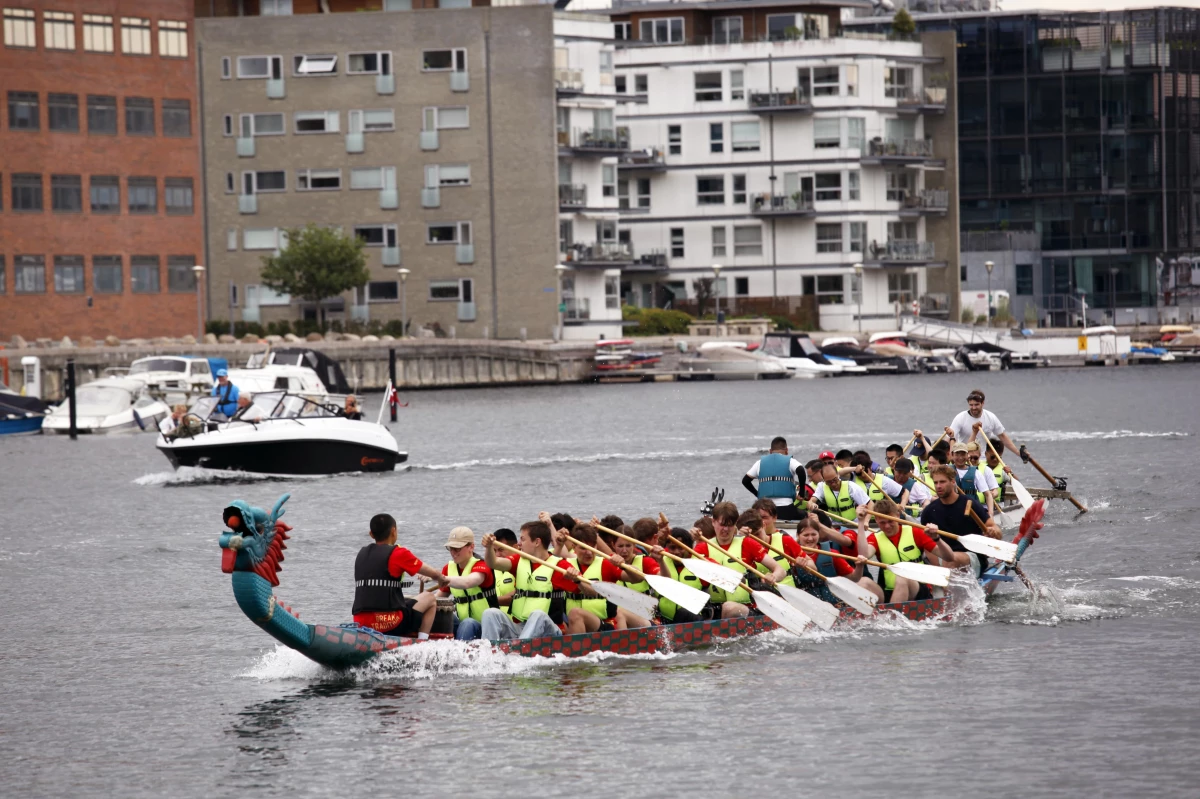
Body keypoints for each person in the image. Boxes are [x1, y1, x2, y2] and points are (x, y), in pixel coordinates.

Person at [481, 520, 581, 641]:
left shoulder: (560, 566)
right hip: (520, 628)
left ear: (537, 542)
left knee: (537, 615)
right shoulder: (519, 560)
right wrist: (489, 547)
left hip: (549, 631)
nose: (519, 543)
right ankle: (489, 652)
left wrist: (577, 581)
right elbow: (493, 563)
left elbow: (590, 591)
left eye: (523, 539)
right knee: (490, 613)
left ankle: (519, 652)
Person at [352, 513, 448, 640]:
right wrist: (442, 579)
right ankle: (421, 643)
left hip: (361, 622)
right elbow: (433, 574)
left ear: (371, 534)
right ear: (393, 531)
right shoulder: (398, 553)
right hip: (390, 624)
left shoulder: (361, 554)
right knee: (430, 598)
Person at [559, 523, 653, 633]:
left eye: (592, 547)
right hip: (575, 624)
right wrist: (559, 544)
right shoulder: (565, 565)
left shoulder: (606, 564)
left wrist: (625, 566)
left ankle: (578, 649)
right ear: (574, 547)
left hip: (604, 624)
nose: (589, 552)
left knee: (576, 613)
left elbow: (637, 578)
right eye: (583, 548)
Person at [859, 500, 954, 603]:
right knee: (863, 582)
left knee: (902, 577)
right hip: (889, 591)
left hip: (918, 589)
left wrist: (937, 539)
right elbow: (864, 555)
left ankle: (892, 616)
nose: (887, 526)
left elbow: (949, 557)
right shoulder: (875, 538)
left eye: (890, 521)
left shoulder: (915, 532)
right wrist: (860, 521)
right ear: (876, 520)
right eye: (882, 522)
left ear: (898, 516)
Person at [921, 465, 1000, 577]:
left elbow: (996, 531)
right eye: (936, 482)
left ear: (953, 482)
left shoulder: (969, 503)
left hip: (972, 557)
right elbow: (927, 545)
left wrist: (993, 531)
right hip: (942, 557)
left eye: (942, 482)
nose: (938, 486)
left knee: (951, 560)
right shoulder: (929, 511)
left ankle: (946, 586)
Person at [438, 527, 498, 641]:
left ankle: (458, 654)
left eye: (457, 548)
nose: (453, 553)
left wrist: (436, 577)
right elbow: (438, 598)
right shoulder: (448, 568)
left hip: (486, 628)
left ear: (471, 547)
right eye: (451, 548)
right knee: (440, 615)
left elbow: (467, 582)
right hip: (463, 626)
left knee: (468, 623)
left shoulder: (482, 565)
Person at [742, 436, 804, 521]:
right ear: (787, 450)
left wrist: (757, 494)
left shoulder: (759, 463)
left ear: (770, 451)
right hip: (786, 508)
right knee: (807, 515)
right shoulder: (790, 461)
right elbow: (801, 470)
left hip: (764, 510)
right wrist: (802, 492)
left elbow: (745, 481)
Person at [947, 389, 1020, 456]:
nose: (973, 408)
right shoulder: (960, 418)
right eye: (971, 405)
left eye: (976, 404)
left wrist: (1018, 453)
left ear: (982, 403)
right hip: (966, 458)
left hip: (984, 459)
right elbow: (949, 438)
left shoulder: (991, 417)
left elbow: (1002, 436)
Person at [949, 441, 996, 515]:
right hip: (952, 509)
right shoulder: (946, 471)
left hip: (971, 510)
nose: (960, 457)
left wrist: (990, 513)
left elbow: (987, 495)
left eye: (963, 454)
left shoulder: (976, 473)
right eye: (957, 454)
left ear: (967, 455)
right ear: (952, 455)